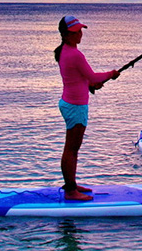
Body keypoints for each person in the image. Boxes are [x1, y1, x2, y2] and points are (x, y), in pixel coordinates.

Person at [54, 14, 120, 201]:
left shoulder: (65, 51)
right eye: (75, 32)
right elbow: (93, 77)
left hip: (70, 102)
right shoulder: (74, 54)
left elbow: (79, 78)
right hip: (75, 106)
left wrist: (89, 85)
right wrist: (111, 74)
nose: (79, 34)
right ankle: (70, 191)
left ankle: (72, 184)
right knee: (71, 149)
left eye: (80, 30)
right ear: (66, 35)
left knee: (73, 148)